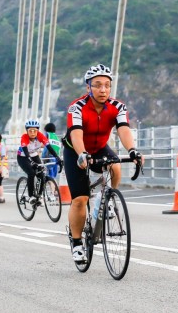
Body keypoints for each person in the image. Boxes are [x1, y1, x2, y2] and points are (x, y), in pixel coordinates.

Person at [64, 64, 142, 263]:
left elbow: (123, 129)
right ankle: (77, 242)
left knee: (115, 166)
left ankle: (106, 198)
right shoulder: (76, 107)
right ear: (88, 87)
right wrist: (82, 154)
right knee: (80, 199)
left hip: (99, 147)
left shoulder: (118, 107)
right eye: (97, 85)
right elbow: (76, 134)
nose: (103, 90)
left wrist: (132, 150)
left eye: (107, 85)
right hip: (75, 150)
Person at [17, 119, 63, 206]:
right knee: (31, 173)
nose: (32, 133)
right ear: (27, 131)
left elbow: (49, 147)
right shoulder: (24, 137)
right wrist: (31, 162)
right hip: (23, 157)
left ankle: (39, 196)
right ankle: (31, 196)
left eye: (35, 130)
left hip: (34, 155)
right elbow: (26, 152)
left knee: (41, 175)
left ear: (38, 130)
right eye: (30, 131)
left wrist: (57, 158)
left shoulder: (40, 136)